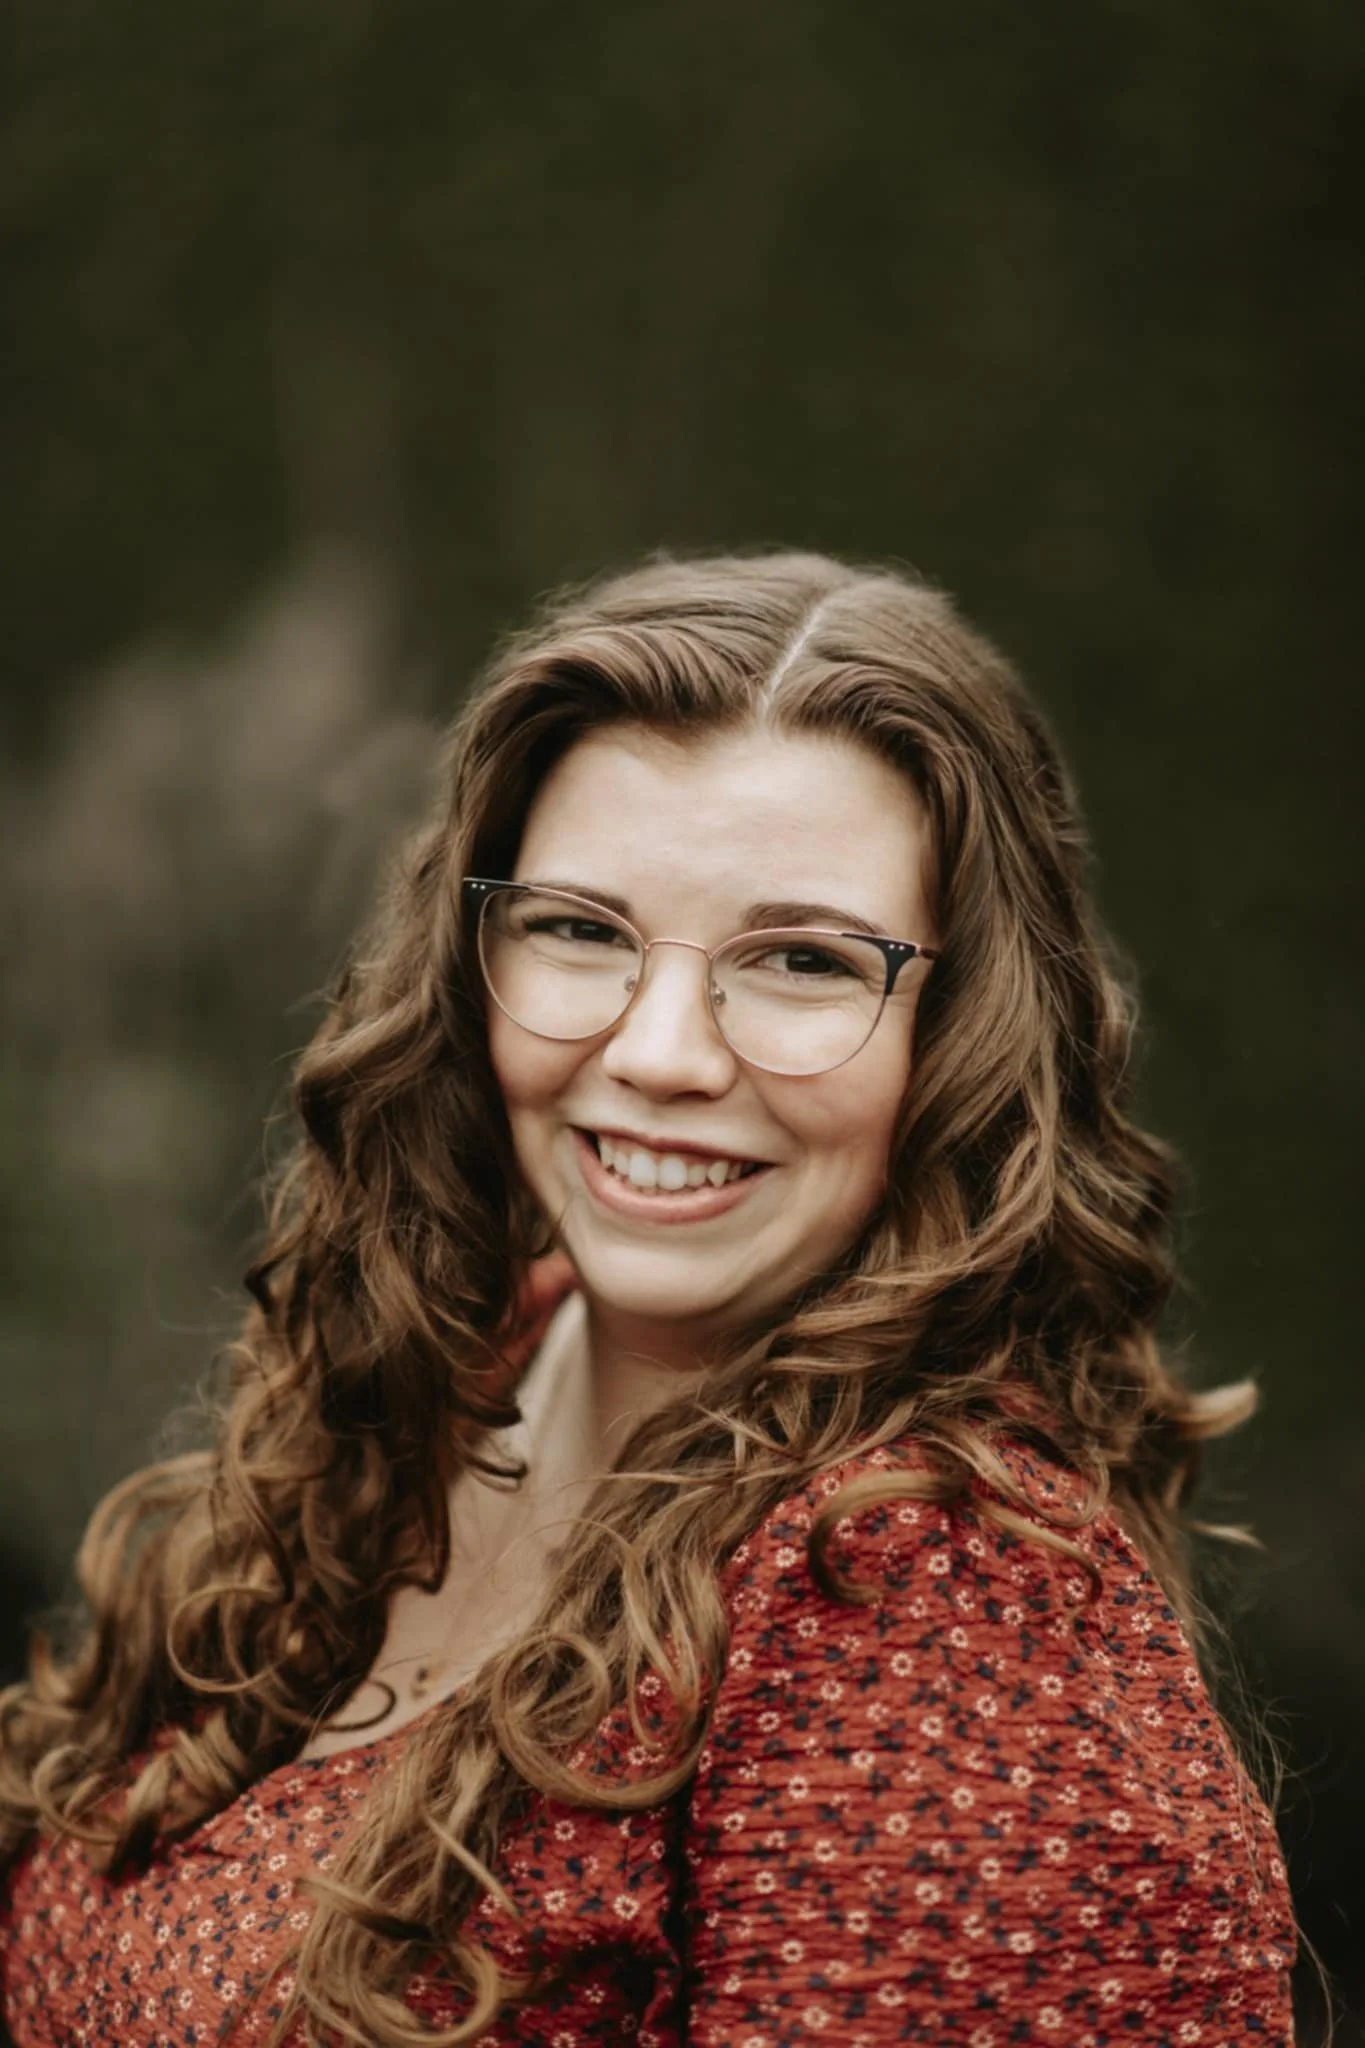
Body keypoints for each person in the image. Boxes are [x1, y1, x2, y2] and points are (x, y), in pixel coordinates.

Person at [0, 552, 1296, 2046]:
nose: (660, 1052)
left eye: (802, 959)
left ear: (964, 1035)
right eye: (580, 929)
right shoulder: (443, 1378)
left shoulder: (927, 1604)